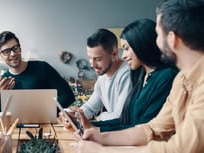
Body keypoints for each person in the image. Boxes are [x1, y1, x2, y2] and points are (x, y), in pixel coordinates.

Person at [72, 0, 204, 152]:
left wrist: (100, 150)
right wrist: (100, 137)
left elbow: (180, 149)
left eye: (158, 34)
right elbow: (152, 128)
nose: (155, 41)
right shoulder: (181, 80)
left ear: (172, 39)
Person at [87, 18, 178, 132]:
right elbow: (126, 120)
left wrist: (98, 130)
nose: (123, 56)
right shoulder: (140, 74)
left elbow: (144, 128)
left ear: (141, 44)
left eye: (126, 49)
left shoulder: (166, 77)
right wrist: (92, 126)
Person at [0, 31, 75, 115]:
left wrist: (48, 112)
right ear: (0, 56)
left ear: (20, 49)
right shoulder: (0, 84)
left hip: (45, 126)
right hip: (15, 128)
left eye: (15, 48)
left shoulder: (43, 68)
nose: (13, 54)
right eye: (6, 52)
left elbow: (68, 95)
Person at [79, 29, 132, 121]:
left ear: (114, 54)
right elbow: (90, 107)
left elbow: (120, 117)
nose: (92, 64)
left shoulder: (127, 74)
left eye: (98, 59)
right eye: (90, 58)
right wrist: (76, 116)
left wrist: (99, 117)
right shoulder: (102, 78)